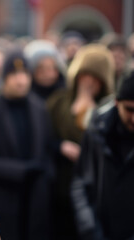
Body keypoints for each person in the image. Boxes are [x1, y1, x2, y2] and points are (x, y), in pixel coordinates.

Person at [0, 52, 55, 240]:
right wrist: (21, 171)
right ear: (4, 78)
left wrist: (46, 176)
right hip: (2, 199)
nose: (20, 80)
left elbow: (47, 146)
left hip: (35, 198)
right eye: (14, 75)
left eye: (25, 74)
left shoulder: (39, 108)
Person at [47, 43, 114, 239]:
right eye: (86, 75)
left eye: (96, 78)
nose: (90, 82)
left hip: (91, 189)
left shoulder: (107, 110)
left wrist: (90, 108)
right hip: (58, 184)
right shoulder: (59, 101)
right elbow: (46, 137)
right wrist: (60, 146)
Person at [71, 72, 134, 240]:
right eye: (129, 109)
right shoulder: (96, 131)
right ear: (116, 103)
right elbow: (80, 182)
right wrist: (89, 227)